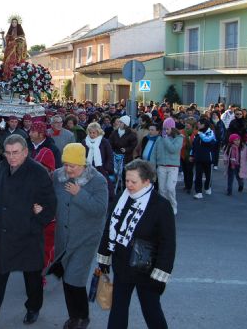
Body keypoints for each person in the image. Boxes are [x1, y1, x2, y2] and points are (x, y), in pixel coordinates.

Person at [0, 135, 56, 329]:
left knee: (32, 277)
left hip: (28, 236)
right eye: (8, 153)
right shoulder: (2, 167)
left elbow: (50, 205)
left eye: (16, 153)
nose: (11, 157)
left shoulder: (37, 172)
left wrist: (34, 224)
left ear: (25, 152)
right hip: (5, 233)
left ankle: (33, 307)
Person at [97, 159, 176, 329]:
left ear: (147, 181)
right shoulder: (121, 198)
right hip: (122, 265)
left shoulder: (161, 206)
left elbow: (168, 244)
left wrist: (160, 275)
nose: (129, 185)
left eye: (134, 182)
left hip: (146, 269)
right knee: (118, 308)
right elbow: (110, 228)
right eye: (126, 180)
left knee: (151, 310)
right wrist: (103, 258)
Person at [48, 144, 108, 329]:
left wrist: (79, 194)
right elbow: (48, 197)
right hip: (64, 238)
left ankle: (82, 317)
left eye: (73, 165)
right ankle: (74, 316)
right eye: (66, 164)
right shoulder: (57, 176)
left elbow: (100, 209)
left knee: (74, 278)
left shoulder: (97, 180)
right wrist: (42, 208)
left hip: (86, 239)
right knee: (68, 278)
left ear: (83, 163)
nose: (68, 169)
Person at [150, 118, 183, 215]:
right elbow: (154, 153)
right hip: (161, 166)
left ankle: (173, 205)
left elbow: (173, 149)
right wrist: (152, 167)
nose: (165, 131)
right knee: (162, 189)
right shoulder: (159, 138)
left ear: (172, 128)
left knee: (170, 188)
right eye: (164, 129)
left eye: (167, 129)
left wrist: (165, 139)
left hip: (173, 167)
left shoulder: (179, 138)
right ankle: (163, 207)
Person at [190, 118, 216, 199]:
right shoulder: (197, 133)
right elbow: (194, 145)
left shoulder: (210, 132)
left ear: (204, 124)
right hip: (198, 158)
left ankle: (207, 187)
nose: (198, 125)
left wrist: (200, 133)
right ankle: (198, 192)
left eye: (199, 124)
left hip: (208, 158)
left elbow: (207, 140)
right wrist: (191, 155)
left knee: (208, 175)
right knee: (198, 175)